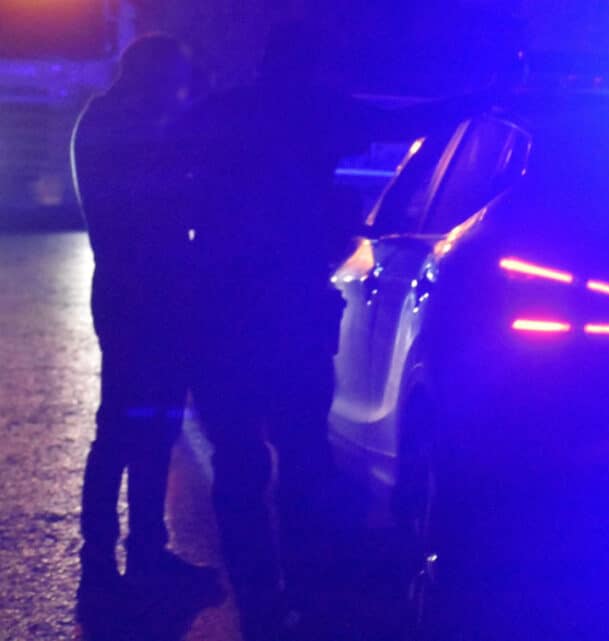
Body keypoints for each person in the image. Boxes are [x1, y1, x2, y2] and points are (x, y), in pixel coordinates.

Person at [177, 20, 491, 640]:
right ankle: (306, 593)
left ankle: (258, 603)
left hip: (222, 316)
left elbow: (170, 189)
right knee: (302, 457)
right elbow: (406, 122)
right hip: (292, 313)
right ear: (314, 64)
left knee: (238, 465)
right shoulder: (317, 110)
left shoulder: (217, 113)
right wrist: (482, 97)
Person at [70, 33, 205, 610]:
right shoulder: (127, 128)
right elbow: (165, 203)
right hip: (143, 297)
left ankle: (120, 555)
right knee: (137, 428)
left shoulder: (105, 120)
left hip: (131, 294)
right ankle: (123, 556)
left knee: (135, 426)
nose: (179, 92)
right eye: (174, 81)